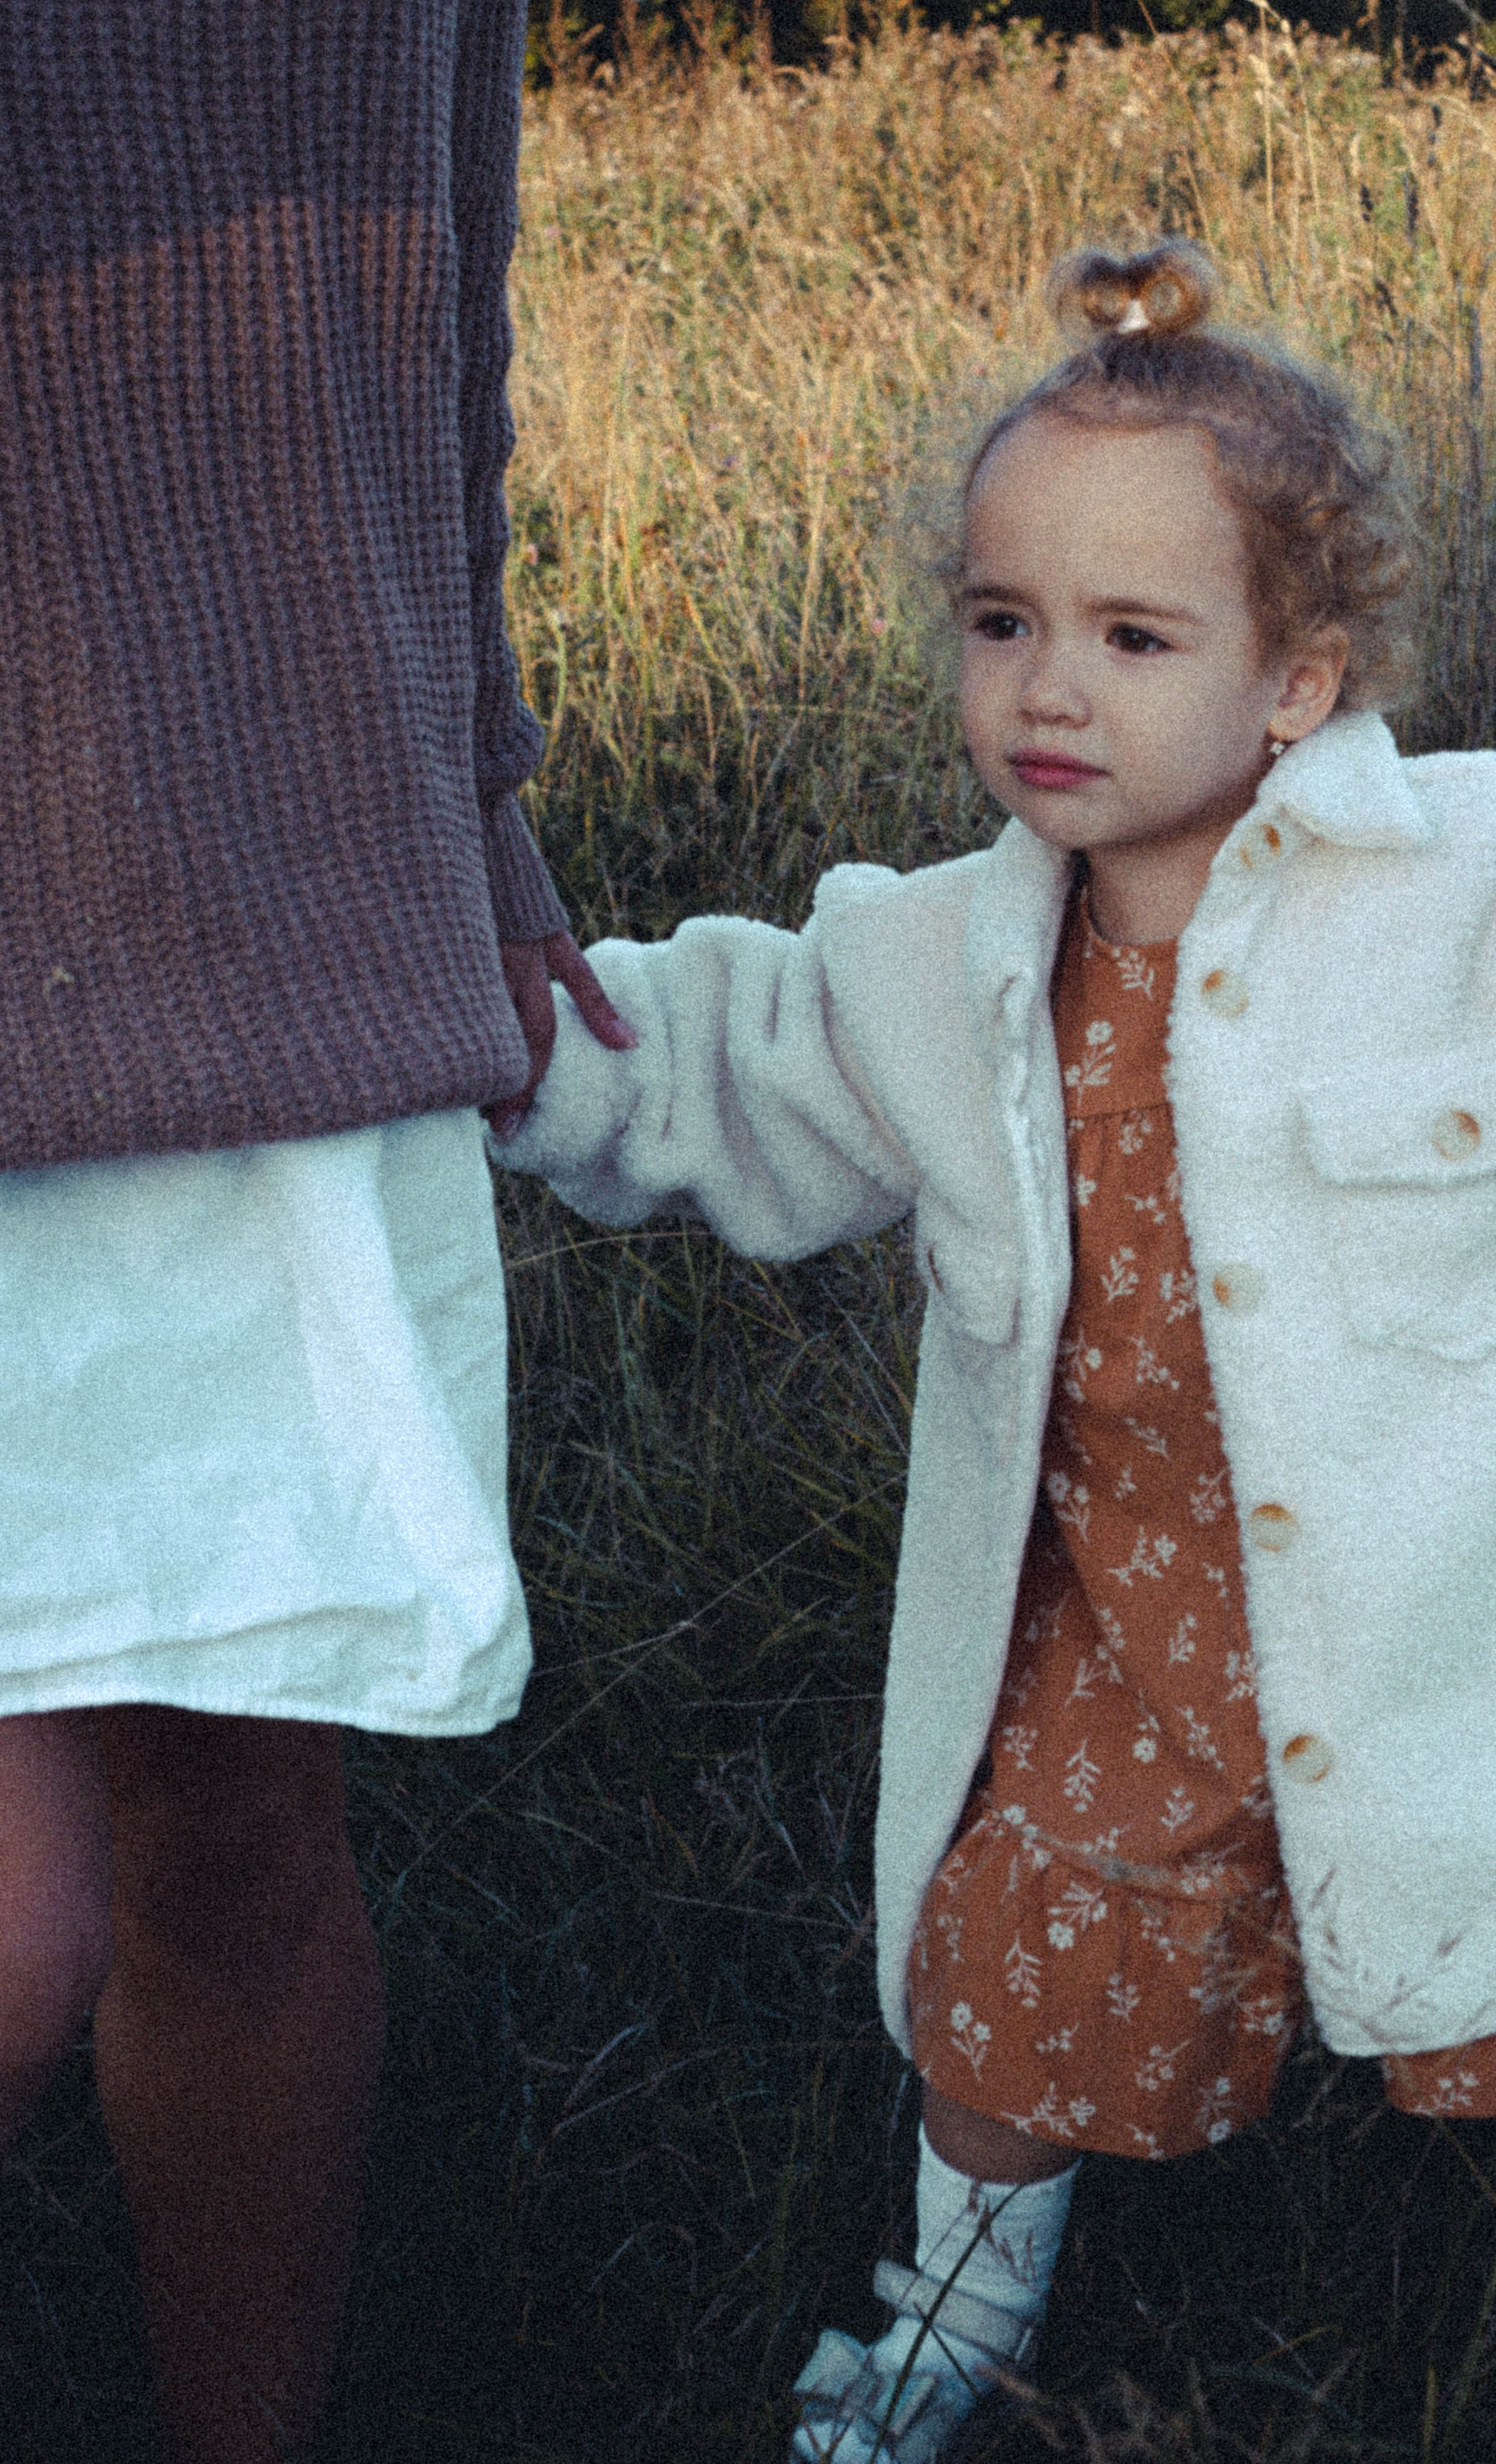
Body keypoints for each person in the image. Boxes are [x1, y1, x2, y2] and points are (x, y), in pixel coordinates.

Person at [491, 235, 1496, 2461]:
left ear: (1298, 680)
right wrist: (486, 1032)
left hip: (1477, 1642)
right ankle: (945, 2330)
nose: (1048, 688)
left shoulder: (1494, 880)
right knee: (999, 2017)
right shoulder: (931, 965)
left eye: (1133, 638)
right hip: (1116, 1639)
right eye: (1003, 622)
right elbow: (713, 1064)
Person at [0, 8, 629, 2462]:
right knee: (19, 1933)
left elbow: (433, 294)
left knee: (243, 1835)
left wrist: (475, 787)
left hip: (285, 879)